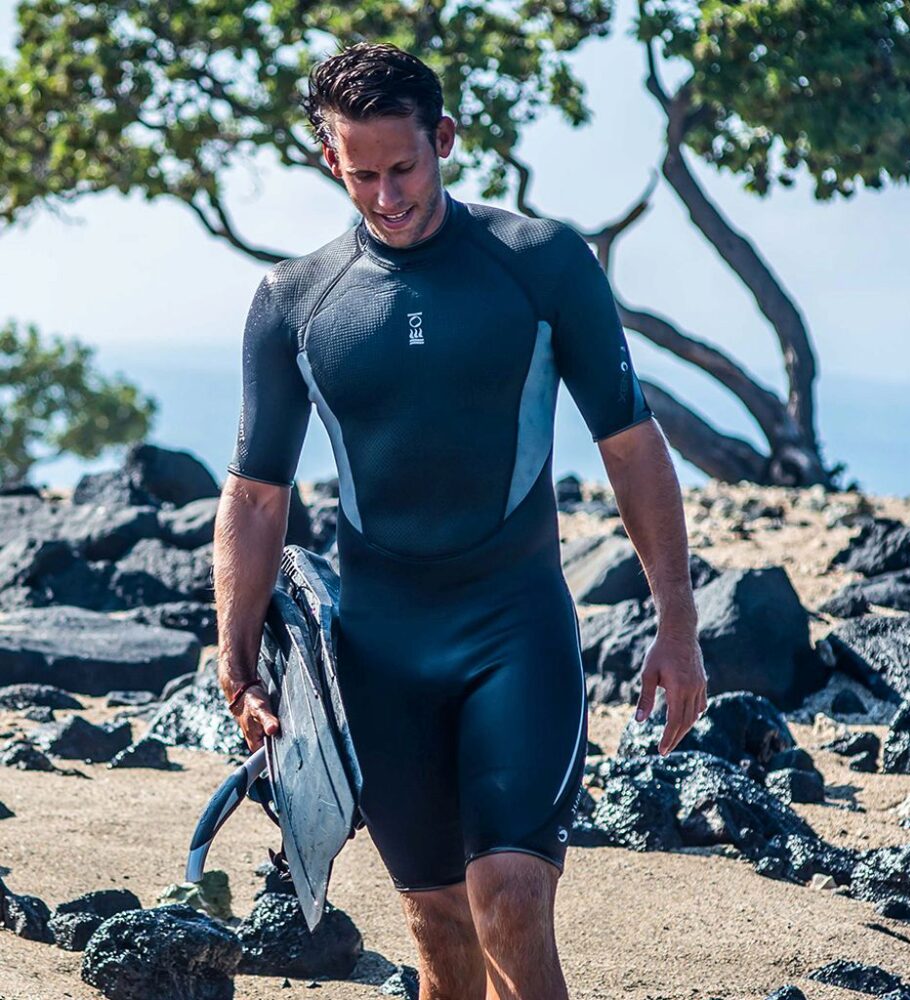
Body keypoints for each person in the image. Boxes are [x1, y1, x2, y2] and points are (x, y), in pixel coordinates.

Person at [214, 41, 707, 1000]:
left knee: (510, 899)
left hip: (513, 626)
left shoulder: (540, 263)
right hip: (380, 650)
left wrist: (677, 623)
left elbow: (629, 442)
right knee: (439, 930)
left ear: (442, 138)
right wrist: (237, 658)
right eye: (362, 175)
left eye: (403, 168)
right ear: (331, 159)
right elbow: (257, 492)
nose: (386, 195)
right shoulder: (293, 302)